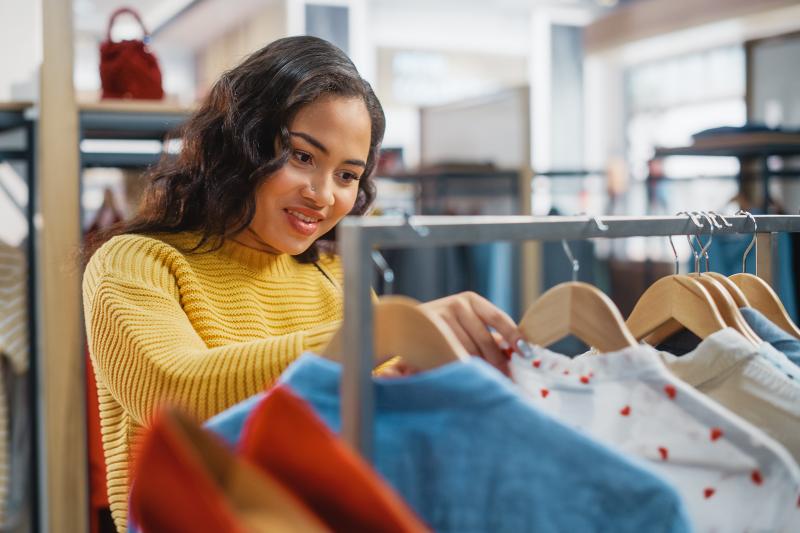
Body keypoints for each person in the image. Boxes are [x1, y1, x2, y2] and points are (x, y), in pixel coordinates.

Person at [82, 35, 521, 532]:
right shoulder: (135, 261)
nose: (322, 195)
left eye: (347, 175)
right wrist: (377, 333)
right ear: (241, 141)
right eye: (303, 157)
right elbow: (175, 392)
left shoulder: (334, 277)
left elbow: (377, 418)